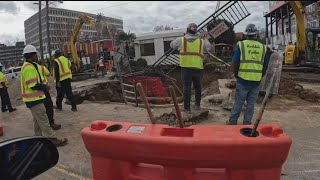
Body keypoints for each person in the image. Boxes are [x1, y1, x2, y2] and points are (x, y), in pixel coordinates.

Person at [20, 44, 68, 146]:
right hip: (34, 99)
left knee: (37, 120)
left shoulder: (32, 66)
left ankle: (37, 138)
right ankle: (52, 139)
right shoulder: (29, 68)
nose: (36, 56)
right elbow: (32, 84)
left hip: (33, 99)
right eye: (35, 55)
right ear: (30, 55)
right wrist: (44, 87)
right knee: (43, 119)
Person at [226, 24, 269, 125]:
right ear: (256, 34)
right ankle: (247, 123)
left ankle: (232, 122)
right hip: (256, 81)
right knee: (251, 105)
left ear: (247, 34)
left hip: (242, 79)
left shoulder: (241, 45)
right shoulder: (263, 48)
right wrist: (260, 76)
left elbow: (235, 63)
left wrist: (236, 75)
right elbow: (265, 66)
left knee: (238, 103)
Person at [170, 23, 212, 115]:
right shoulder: (201, 41)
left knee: (187, 88)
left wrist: (181, 38)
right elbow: (209, 48)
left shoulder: (181, 40)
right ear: (196, 31)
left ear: (187, 30)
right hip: (198, 68)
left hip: (186, 68)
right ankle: (197, 106)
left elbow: (172, 45)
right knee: (198, 87)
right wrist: (205, 38)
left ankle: (187, 108)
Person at [38, 64, 61, 130]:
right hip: (43, 89)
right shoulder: (41, 67)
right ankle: (51, 123)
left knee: (42, 108)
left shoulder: (28, 67)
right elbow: (48, 74)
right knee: (49, 106)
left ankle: (44, 125)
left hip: (37, 91)